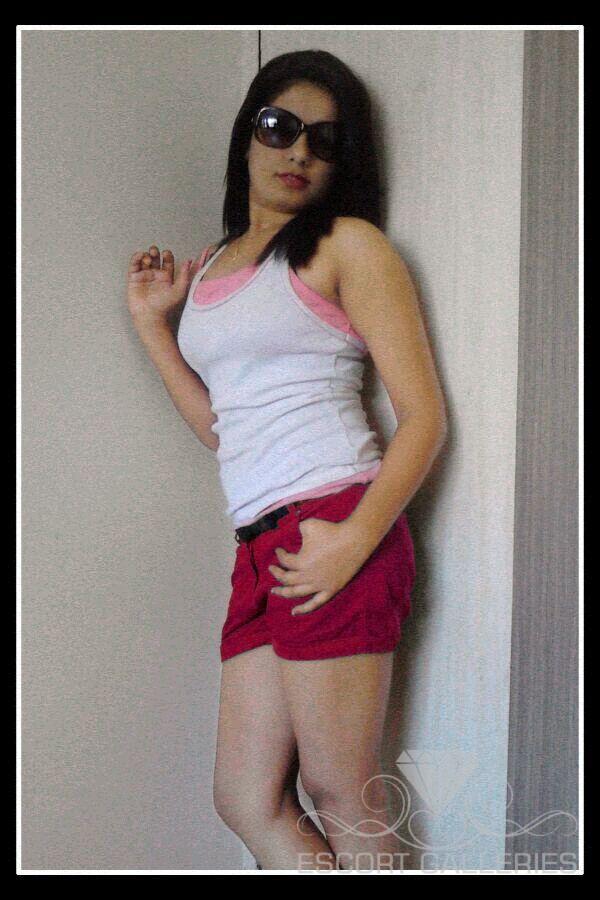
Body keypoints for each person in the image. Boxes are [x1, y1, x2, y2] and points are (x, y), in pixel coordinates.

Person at [126, 49, 447, 871]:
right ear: (247, 136)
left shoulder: (348, 245)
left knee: (342, 791)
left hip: (333, 521)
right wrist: (156, 327)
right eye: (280, 127)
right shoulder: (213, 266)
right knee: (245, 797)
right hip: (259, 545)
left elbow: (423, 419)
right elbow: (224, 429)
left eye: (325, 140)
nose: (299, 150)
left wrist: (354, 539)